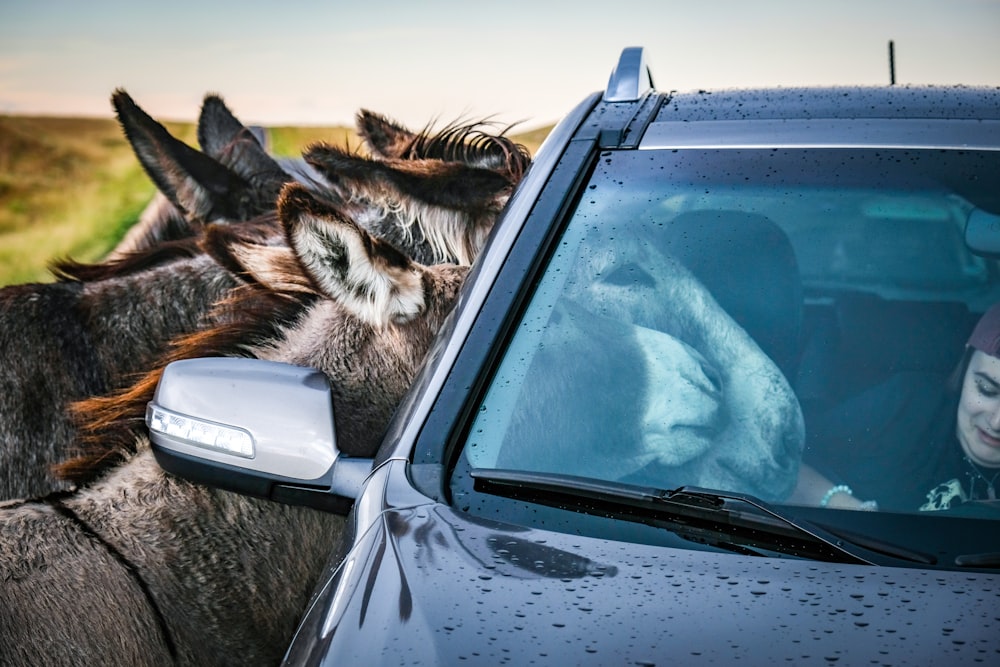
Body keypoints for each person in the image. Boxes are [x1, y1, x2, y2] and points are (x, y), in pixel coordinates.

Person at [793, 303, 1000, 513]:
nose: (996, 422)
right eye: (986, 389)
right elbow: (789, 458)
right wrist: (856, 511)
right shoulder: (909, 403)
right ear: (965, 364)